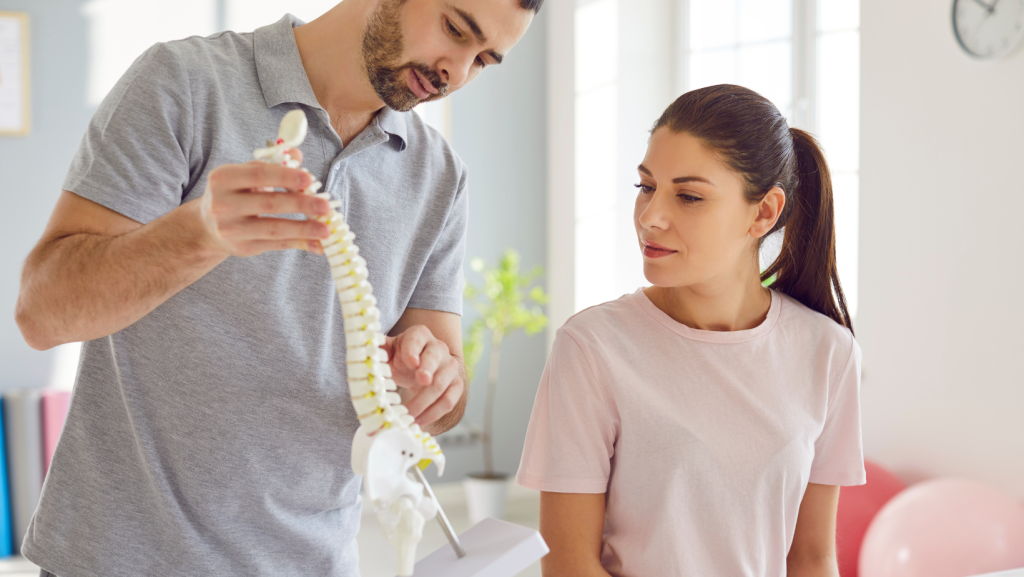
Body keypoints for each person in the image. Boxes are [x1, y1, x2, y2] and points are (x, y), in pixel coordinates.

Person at [14, 0, 540, 575]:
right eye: (455, 29)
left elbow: (445, 391)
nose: (457, 73)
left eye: (485, 60)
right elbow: (42, 313)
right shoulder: (185, 84)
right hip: (122, 560)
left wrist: (436, 385)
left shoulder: (439, 176)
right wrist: (201, 233)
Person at [516, 84, 866, 576]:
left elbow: (810, 557)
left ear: (763, 212)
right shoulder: (592, 348)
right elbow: (570, 564)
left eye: (688, 196)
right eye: (646, 187)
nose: (651, 217)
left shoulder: (828, 352)